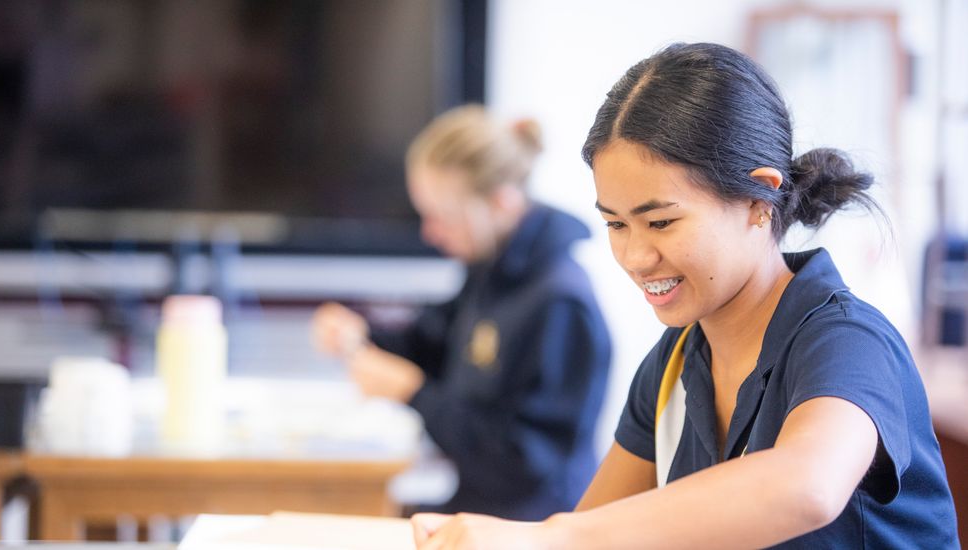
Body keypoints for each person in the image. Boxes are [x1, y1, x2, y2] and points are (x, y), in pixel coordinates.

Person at [410, 43, 960, 549]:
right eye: (617, 225)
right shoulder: (673, 363)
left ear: (760, 200)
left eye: (661, 222)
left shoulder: (848, 341)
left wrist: (550, 537)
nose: (634, 257)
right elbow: (592, 532)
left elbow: (806, 486)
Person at [311, 105, 612, 521]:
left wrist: (413, 393)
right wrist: (361, 333)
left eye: (444, 217)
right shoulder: (490, 270)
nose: (429, 233)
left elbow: (526, 465)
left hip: (531, 526)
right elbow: (432, 340)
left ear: (502, 204)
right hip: (477, 508)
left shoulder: (560, 304)